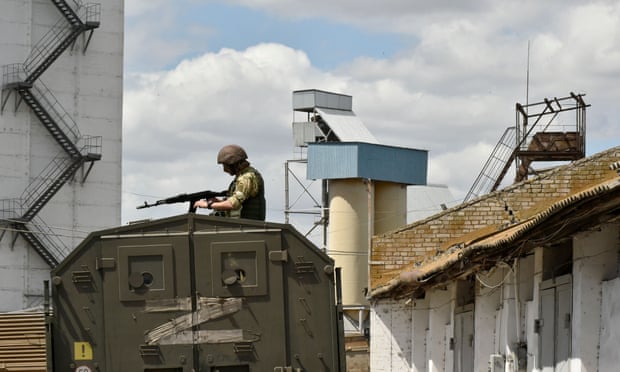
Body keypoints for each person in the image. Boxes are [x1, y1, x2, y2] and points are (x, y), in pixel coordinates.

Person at [194, 144, 266, 221]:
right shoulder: (243, 176)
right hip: (243, 225)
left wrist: (208, 205)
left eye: (225, 166)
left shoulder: (246, 178)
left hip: (247, 226)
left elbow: (233, 204)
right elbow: (238, 201)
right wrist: (219, 202)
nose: (224, 170)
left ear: (233, 164)